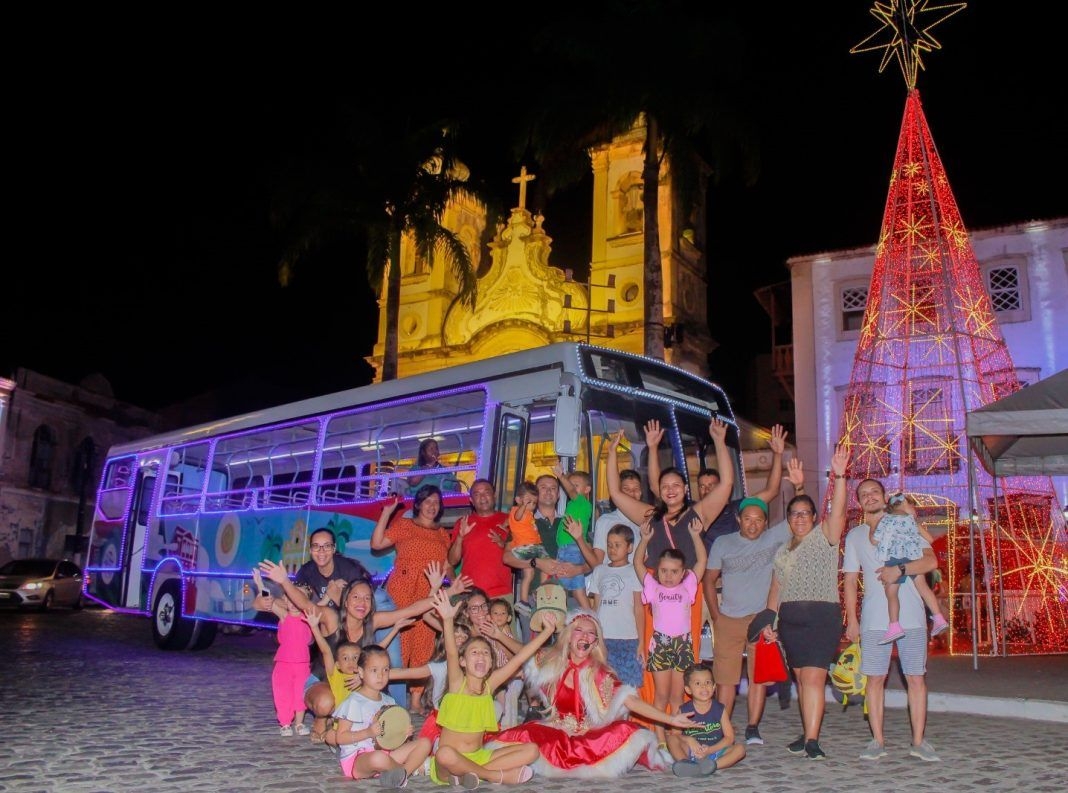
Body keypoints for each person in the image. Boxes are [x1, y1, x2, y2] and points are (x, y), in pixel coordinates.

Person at [262, 559, 465, 742]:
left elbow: (411, 610)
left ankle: (340, 721)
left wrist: (449, 592)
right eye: (356, 597)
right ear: (346, 600)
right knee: (325, 703)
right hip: (324, 681)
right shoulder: (332, 619)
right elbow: (305, 604)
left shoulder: (372, 621)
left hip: (354, 684)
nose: (362, 603)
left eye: (367, 598)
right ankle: (321, 719)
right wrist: (284, 582)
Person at [607, 419, 734, 703]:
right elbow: (616, 494)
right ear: (659, 491)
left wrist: (719, 442)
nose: (671, 489)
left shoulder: (697, 514)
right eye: (665, 486)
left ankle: (685, 716)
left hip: (687, 589)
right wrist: (613, 453)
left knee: (687, 657)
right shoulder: (650, 515)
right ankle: (656, 722)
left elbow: (726, 484)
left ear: (685, 490)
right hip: (655, 590)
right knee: (653, 657)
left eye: (677, 485)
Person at [486, 609, 698, 778]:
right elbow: (526, 653)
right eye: (579, 630)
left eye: (591, 634)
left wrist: (672, 719)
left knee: (629, 730)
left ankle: (681, 757)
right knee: (525, 734)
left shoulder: (599, 673)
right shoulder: (552, 663)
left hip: (589, 735)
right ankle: (484, 766)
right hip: (556, 730)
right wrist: (498, 635)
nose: (585, 636)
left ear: (595, 642)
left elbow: (630, 701)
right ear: (569, 636)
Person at [761, 444, 850, 761]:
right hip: (790, 622)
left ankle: (812, 739)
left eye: (805, 513)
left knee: (813, 678)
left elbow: (838, 510)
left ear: (814, 517)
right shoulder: (783, 550)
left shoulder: (825, 537)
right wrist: (770, 624)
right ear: (788, 519)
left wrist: (839, 475)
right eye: (794, 513)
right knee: (801, 678)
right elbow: (776, 588)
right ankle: (808, 731)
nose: (799, 518)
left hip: (820, 618)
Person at [843, 476, 941, 762]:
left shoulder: (905, 524)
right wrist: (851, 620)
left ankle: (919, 741)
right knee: (875, 679)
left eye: (875, 491)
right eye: (864, 494)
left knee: (916, 678)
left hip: (911, 617)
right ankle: (877, 740)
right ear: (858, 502)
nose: (870, 496)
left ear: (885, 497)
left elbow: (930, 561)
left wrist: (899, 570)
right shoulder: (855, 536)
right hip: (874, 619)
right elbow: (850, 580)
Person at [254, 526, 406, 706]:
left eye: (326, 546)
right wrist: (264, 603)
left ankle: (396, 708)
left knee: (391, 658)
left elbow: (364, 606)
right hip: (331, 627)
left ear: (334, 549)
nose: (321, 551)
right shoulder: (306, 572)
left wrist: (338, 599)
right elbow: (296, 603)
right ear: (310, 550)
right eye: (316, 547)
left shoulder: (349, 571)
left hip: (360, 623)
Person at [701, 468, 797, 746]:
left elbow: (799, 518)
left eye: (758, 520)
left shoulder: (773, 538)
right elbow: (709, 580)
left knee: (758, 677)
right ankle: (722, 727)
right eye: (747, 519)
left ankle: (753, 727)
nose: (753, 524)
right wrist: (716, 616)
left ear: (766, 522)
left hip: (760, 621)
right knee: (725, 680)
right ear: (738, 520)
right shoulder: (723, 543)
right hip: (728, 618)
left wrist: (797, 486)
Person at [428, 589, 553, 788]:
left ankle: (470, 775)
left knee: (532, 751)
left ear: (491, 662)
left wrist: (547, 632)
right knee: (444, 754)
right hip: (448, 763)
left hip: (480, 757)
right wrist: (448, 619)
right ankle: (494, 776)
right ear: (462, 661)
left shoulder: (490, 684)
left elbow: (520, 658)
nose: (480, 656)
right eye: (474, 653)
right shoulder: (456, 683)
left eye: (486, 653)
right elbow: (451, 652)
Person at [371, 486, 454, 695]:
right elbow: (377, 543)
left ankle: (416, 696)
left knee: (424, 641)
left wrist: (455, 585)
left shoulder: (443, 534)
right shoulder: (405, 525)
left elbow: (447, 565)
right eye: (427, 502)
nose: (432, 506)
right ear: (417, 504)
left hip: (430, 590)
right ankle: (392, 693)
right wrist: (387, 513)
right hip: (403, 588)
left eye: (436, 502)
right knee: (400, 637)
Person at [633, 514, 707, 745]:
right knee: (661, 695)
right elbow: (637, 563)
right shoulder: (653, 587)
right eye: (663, 570)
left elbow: (701, 562)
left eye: (674, 571)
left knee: (677, 696)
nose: (668, 575)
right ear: (657, 571)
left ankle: (676, 736)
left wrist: (695, 537)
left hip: (682, 645)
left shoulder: (688, 586)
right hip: (661, 644)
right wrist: (644, 540)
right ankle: (660, 739)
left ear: (683, 572)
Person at [329, 644, 432, 787]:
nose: (381, 675)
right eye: (374, 670)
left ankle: (402, 774)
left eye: (385, 670)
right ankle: (410, 768)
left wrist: (404, 736)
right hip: (358, 760)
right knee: (378, 758)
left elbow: (389, 738)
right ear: (361, 672)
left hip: (386, 754)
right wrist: (368, 732)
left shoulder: (388, 700)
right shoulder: (353, 701)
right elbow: (340, 737)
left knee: (425, 742)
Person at [576, 521, 644, 688]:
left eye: (617, 545)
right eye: (609, 545)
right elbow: (596, 606)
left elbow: (638, 608)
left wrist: (641, 641)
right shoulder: (600, 571)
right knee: (602, 685)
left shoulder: (634, 571)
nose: (612, 549)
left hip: (628, 639)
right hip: (603, 638)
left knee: (628, 687)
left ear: (629, 548)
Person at [875, 492, 949, 643]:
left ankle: (894, 625)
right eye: (912, 505)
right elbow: (929, 538)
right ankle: (938, 618)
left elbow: (875, 539)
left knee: (891, 592)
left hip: (895, 558)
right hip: (913, 557)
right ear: (903, 504)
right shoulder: (912, 521)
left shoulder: (886, 520)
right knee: (923, 588)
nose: (914, 509)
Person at [666, 662, 746, 777]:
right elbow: (676, 735)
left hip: (714, 752)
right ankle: (686, 763)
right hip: (690, 751)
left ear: (714, 687)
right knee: (671, 739)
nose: (704, 686)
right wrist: (689, 740)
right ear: (688, 689)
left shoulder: (720, 709)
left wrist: (710, 750)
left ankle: (712, 766)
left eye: (708, 682)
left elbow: (729, 738)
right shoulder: (684, 710)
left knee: (740, 749)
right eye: (698, 683)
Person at [447, 479, 513, 610]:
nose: (482, 497)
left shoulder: (510, 520)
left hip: (501, 594)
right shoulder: (463, 522)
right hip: (471, 595)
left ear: (494, 495)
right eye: (477, 494)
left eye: (486, 492)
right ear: (471, 500)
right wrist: (460, 537)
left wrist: (504, 544)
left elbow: (522, 555)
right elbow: (452, 561)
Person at [262, 582, 314, 736]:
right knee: (282, 693)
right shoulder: (284, 615)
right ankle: (285, 723)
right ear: (285, 598)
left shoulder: (308, 617)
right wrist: (260, 584)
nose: (293, 603)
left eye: (297, 599)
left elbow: (323, 605)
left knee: (300, 693)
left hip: (303, 663)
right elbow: (269, 602)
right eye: (290, 598)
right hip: (283, 663)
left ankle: (299, 723)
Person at [552, 464, 594, 610]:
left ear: (587, 490)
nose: (572, 488)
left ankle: (586, 616)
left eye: (576, 485)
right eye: (572, 484)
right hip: (570, 547)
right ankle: (590, 616)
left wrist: (561, 476)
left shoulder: (580, 501)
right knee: (577, 589)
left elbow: (570, 489)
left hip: (571, 548)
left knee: (563, 586)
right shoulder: (578, 505)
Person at [506, 481, 549, 613]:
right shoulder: (517, 511)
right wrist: (523, 506)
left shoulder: (529, 514)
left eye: (534, 503)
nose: (531, 505)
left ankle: (524, 601)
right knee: (547, 564)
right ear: (518, 500)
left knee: (529, 574)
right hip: (527, 547)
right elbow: (517, 517)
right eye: (528, 501)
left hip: (531, 546)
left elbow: (512, 523)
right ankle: (542, 592)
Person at [590, 468, 643, 566]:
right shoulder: (605, 521)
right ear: (618, 493)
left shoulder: (645, 522)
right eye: (626, 489)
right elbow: (597, 561)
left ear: (641, 493)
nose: (632, 493)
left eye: (636, 489)